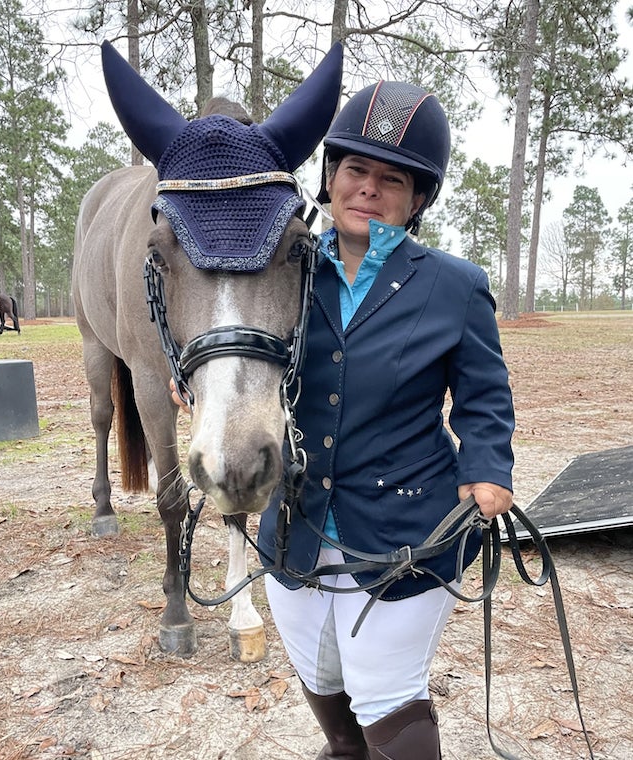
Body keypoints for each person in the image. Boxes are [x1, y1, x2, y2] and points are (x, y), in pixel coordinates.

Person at [173, 80, 515, 760]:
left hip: (407, 526)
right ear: (329, 177)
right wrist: (201, 390)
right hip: (296, 522)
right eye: (355, 169)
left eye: (392, 178)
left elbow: (484, 395)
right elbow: (225, 333)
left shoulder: (455, 286)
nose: (367, 188)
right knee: (322, 674)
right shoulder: (282, 268)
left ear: (418, 198)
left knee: (386, 689)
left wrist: (487, 466)